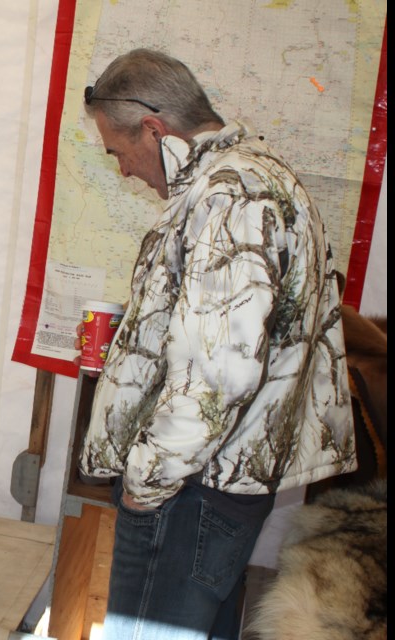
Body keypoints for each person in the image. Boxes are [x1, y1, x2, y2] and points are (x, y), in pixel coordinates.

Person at [75, 49, 356, 640]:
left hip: (189, 490)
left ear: (154, 129)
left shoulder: (227, 197)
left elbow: (219, 371)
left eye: (119, 152)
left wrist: (148, 479)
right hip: (216, 482)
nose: (123, 171)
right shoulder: (259, 177)